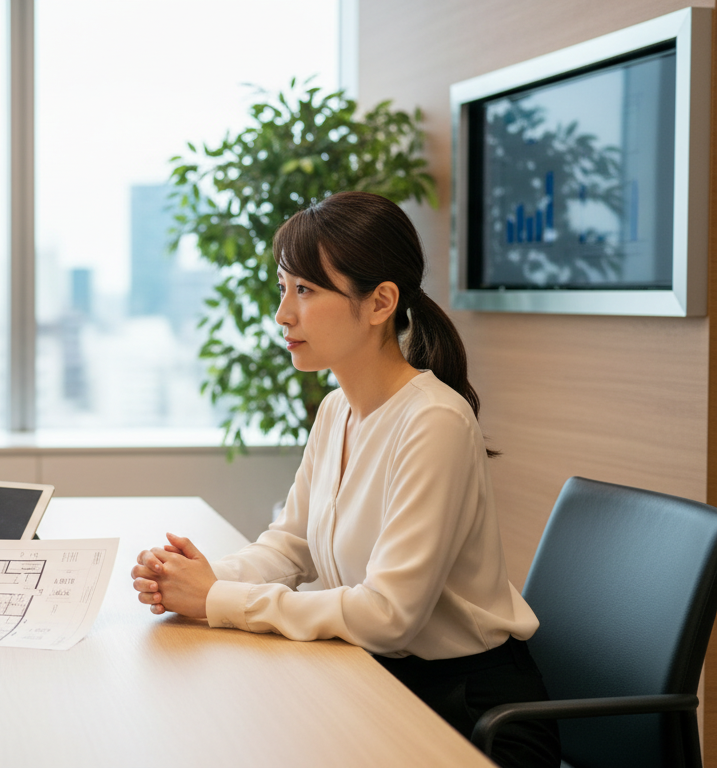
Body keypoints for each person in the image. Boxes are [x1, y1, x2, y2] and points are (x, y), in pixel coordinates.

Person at [130, 192, 560, 767]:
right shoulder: (337, 409)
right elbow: (291, 544)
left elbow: (387, 616)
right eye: (283, 288)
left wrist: (218, 599)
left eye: (305, 291)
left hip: (469, 714)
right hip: (381, 680)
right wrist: (196, 580)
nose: (283, 314)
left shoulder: (434, 421)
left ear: (381, 302)